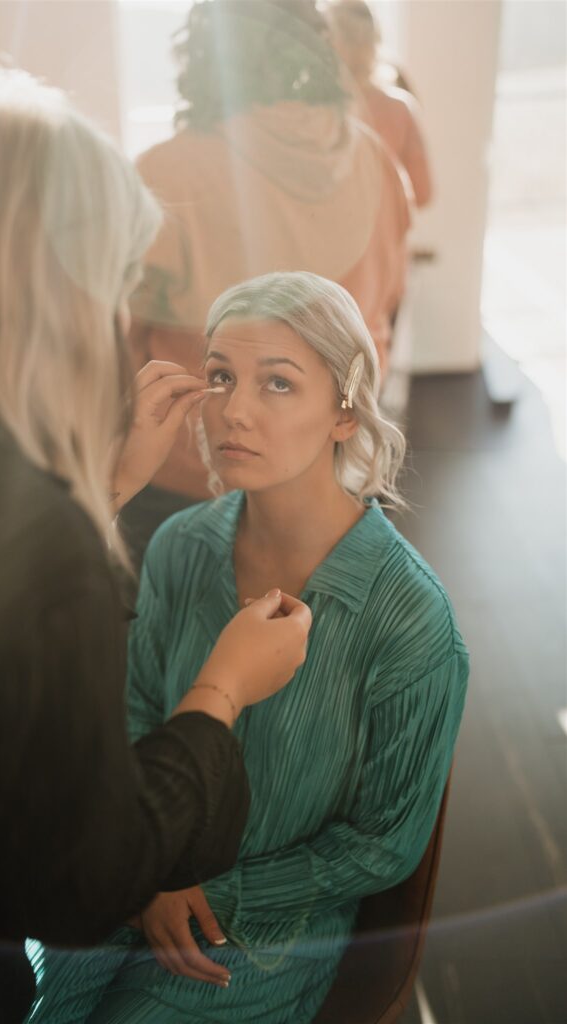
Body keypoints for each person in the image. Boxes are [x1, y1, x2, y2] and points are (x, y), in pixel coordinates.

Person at [0, 63, 312, 1024]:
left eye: (278, 381)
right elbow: (74, 883)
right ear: (55, 290)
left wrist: (96, 494)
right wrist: (220, 693)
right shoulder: (38, 544)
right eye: (117, 285)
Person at [28, 271, 469, 1024]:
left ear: (342, 412)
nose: (232, 410)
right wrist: (145, 867)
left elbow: (384, 842)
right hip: (126, 874)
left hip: (261, 935)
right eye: (222, 376)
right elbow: (135, 709)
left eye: (277, 384)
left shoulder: (409, 618)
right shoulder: (179, 546)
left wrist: (210, 892)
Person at [122, 0, 410, 560]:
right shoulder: (375, 158)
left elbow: (118, 339)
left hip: (194, 472)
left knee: (184, 640)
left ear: (205, 56)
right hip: (335, 468)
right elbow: (388, 300)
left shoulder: (165, 173)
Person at [327, 0, 433, 208]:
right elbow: (423, 194)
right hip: (387, 238)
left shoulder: (316, 111)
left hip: (331, 238)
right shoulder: (400, 109)